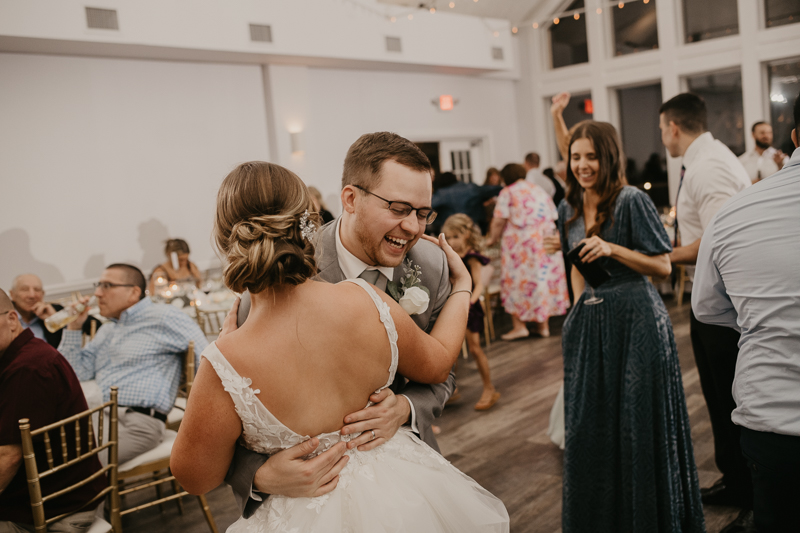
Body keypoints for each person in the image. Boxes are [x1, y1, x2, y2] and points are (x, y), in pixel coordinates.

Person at [170, 161, 509, 532]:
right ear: (307, 224)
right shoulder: (368, 300)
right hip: (402, 500)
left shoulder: (226, 360)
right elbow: (440, 363)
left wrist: (222, 355)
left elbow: (195, 478)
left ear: (224, 240)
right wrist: (462, 286)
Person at [224, 132, 459, 519]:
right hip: (312, 500)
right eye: (399, 208)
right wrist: (260, 475)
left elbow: (443, 371)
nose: (414, 227)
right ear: (350, 199)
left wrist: (406, 407)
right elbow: (239, 407)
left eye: (423, 212)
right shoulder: (280, 272)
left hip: (411, 481)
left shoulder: (431, 267)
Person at [555, 120, 704, 532]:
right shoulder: (567, 206)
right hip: (590, 322)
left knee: (638, 424)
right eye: (576, 156)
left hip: (638, 320)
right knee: (591, 425)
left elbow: (661, 265)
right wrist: (574, 313)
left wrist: (612, 248)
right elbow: (577, 268)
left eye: (591, 156)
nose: (583, 165)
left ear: (609, 157)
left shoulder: (631, 200)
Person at [693, 91, 800, 533]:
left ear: (793, 137)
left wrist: (766, 319)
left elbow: (708, 307)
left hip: (771, 422)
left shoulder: (735, 210)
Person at [659, 93, 754, 531]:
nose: (663, 138)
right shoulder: (709, 158)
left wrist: (661, 257)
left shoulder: (709, 165)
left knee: (726, 397)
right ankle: (737, 479)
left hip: (723, 305)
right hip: (715, 300)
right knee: (718, 396)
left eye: (662, 130)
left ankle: (746, 488)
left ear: (673, 127)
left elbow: (722, 238)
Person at [59, 263, 208, 465]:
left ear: (134, 292)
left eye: (106, 286)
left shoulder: (163, 317)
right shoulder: (108, 330)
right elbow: (76, 373)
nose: (97, 293)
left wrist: (202, 422)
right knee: (48, 458)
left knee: (77, 466)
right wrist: (74, 328)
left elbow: (207, 360)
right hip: (98, 417)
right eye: (98, 285)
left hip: (138, 422)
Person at [0, 289, 107, 532]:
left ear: (12, 320)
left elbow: (8, 457)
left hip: (54, 510)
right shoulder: (22, 355)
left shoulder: (27, 369)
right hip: (56, 495)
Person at [486, 163, 569, 340]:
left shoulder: (508, 192)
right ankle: (543, 326)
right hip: (546, 241)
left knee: (517, 281)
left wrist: (491, 239)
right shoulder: (538, 189)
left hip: (521, 244)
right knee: (541, 281)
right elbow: (554, 215)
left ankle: (519, 327)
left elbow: (499, 220)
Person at [441, 214, 500, 411]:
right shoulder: (449, 257)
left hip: (469, 308)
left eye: (455, 236)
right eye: (448, 237)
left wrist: (469, 303)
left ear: (466, 234)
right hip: (453, 307)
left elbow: (479, 284)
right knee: (451, 352)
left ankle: (489, 388)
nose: (452, 242)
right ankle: (451, 389)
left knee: (475, 348)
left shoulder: (472, 257)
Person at [8, 274, 100, 349]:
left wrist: (57, 318)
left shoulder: (53, 310)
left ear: (43, 294)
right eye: (25, 289)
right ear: (12, 294)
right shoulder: (4, 318)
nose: (32, 295)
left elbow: (96, 326)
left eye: (37, 290)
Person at [430, 172, 502, 235]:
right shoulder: (470, 188)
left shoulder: (442, 193)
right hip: (471, 227)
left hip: (451, 230)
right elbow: (489, 190)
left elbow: (429, 206)